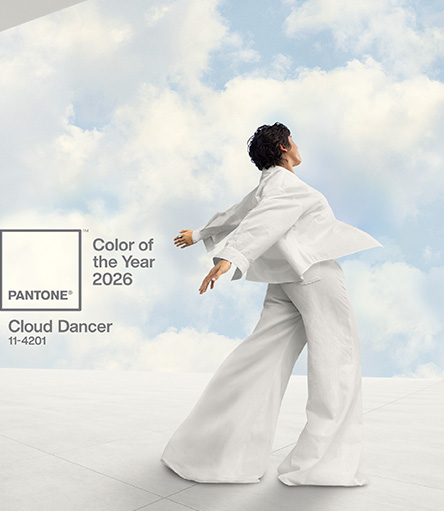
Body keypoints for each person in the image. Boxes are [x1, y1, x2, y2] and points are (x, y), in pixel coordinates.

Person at [161, 122, 380, 487]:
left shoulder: (268, 184)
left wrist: (201, 235)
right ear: (282, 146)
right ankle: (318, 466)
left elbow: (239, 214)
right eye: (293, 140)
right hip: (314, 277)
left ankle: (207, 453)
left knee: (258, 360)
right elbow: (262, 222)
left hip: (285, 283)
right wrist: (230, 257)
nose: (297, 145)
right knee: (338, 365)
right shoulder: (287, 186)